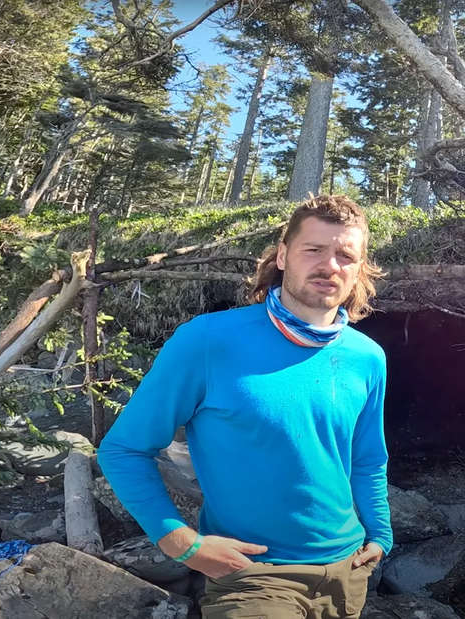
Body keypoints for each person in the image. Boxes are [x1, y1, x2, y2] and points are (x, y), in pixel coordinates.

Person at [98, 194, 392, 619]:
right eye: (314, 250)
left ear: (359, 269)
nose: (330, 266)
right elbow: (123, 449)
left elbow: (367, 460)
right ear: (283, 255)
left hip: (347, 574)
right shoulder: (207, 340)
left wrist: (380, 535)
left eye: (346, 255)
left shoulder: (367, 357)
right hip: (255, 575)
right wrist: (181, 542)